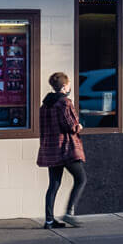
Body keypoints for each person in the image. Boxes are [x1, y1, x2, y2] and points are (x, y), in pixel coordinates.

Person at [37, 70, 87, 228]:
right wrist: (78, 126)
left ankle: (49, 220)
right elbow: (70, 126)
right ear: (65, 86)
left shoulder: (45, 105)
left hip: (51, 149)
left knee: (54, 184)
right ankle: (69, 213)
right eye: (69, 84)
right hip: (65, 148)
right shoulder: (65, 102)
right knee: (81, 179)